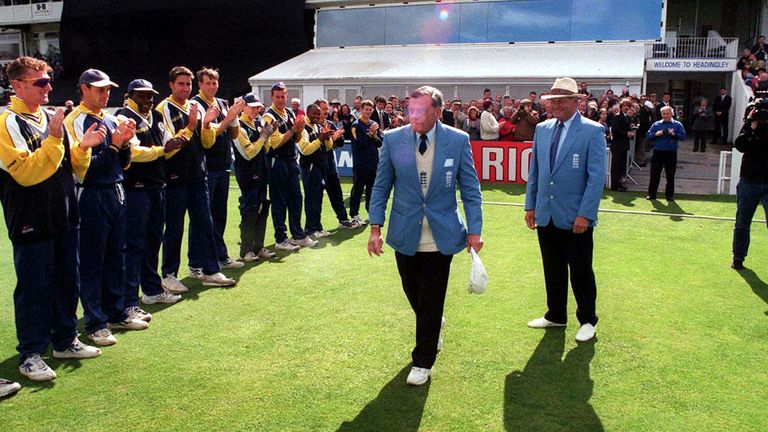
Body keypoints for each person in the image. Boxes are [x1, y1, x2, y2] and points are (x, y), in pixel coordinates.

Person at [367, 85, 483, 386]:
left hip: (442, 233)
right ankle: (433, 324)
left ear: (437, 111)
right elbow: (381, 187)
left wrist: (475, 231)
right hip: (405, 230)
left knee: (431, 297)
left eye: (420, 110)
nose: (413, 115)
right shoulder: (393, 140)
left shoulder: (457, 141)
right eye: (411, 109)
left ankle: (423, 359)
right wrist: (375, 228)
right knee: (413, 292)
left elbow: (470, 189)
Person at [0, 56, 102, 383]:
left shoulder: (50, 117)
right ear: (17, 85)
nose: (49, 87)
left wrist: (83, 148)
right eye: (40, 82)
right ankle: (31, 353)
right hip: (30, 217)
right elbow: (28, 173)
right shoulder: (6, 122)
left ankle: (64, 339)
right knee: (35, 286)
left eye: (49, 80)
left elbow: (72, 167)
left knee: (66, 279)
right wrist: (57, 141)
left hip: (65, 212)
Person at [66, 68, 147, 346]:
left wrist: (122, 144)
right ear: (84, 89)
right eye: (100, 89)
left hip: (116, 189)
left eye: (108, 89)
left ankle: (116, 311)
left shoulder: (111, 118)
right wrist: (114, 147)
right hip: (92, 194)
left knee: (116, 255)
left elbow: (124, 163)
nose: (106, 94)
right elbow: (82, 171)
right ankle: (95, 321)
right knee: (92, 260)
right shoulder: (75, 120)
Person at [524, 77, 606, 343]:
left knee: (581, 270)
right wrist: (530, 206)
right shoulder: (543, 129)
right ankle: (556, 315)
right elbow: (535, 171)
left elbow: (595, 178)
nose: (555, 105)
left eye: (561, 100)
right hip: (546, 212)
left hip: (576, 216)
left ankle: (588, 320)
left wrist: (585, 214)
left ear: (576, 101)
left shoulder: (593, 131)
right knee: (553, 267)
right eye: (552, 101)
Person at [156, 66, 236, 290]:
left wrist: (208, 123)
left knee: (205, 223)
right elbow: (168, 147)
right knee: (174, 227)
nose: (185, 88)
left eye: (188, 84)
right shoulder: (164, 108)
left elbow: (207, 142)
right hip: (175, 177)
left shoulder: (195, 107)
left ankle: (211, 270)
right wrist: (191, 126)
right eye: (181, 83)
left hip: (198, 175)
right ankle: (169, 274)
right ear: (171, 85)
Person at [116, 79, 186, 322]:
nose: (147, 100)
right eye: (141, 96)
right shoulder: (124, 117)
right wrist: (162, 150)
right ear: (129, 96)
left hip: (157, 185)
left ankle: (152, 290)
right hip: (136, 188)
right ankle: (129, 301)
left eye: (150, 96)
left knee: (153, 240)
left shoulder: (154, 117)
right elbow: (134, 153)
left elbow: (170, 143)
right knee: (134, 244)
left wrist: (173, 144)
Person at [191, 68, 245, 270]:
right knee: (203, 217)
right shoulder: (196, 104)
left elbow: (233, 134)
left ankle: (220, 255)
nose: (212, 87)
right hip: (207, 167)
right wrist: (228, 117)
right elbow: (209, 136)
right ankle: (195, 263)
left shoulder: (221, 103)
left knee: (220, 215)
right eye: (208, 83)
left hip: (223, 166)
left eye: (215, 83)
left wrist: (234, 118)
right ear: (200, 84)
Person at [262, 81, 317, 251]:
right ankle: (281, 238)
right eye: (277, 96)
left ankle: (298, 234)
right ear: (272, 97)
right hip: (277, 161)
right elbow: (275, 143)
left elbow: (297, 139)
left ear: (287, 96)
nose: (280, 99)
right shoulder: (268, 117)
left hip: (292, 160)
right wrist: (294, 130)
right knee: (279, 200)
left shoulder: (289, 113)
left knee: (296, 199)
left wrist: (299, 131)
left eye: (283, 96)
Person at [233, 93, 276, 262]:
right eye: (251, 107)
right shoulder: (239, 126)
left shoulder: (258, 124)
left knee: (262, 209)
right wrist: (264, 137)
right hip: (247, 174)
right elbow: (248, 153)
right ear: (243, 107)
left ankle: (258, 247)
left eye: (257, 107)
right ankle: (246, 250)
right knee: (249, 211)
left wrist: (269, 134)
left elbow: (266, 149)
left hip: (261, 172)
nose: (255, 110)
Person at [731, 104, 768, 270]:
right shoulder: (750, 125)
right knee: (742, 223)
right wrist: (751, 125)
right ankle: (738, 258)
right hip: (749, 179)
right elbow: (740, 145)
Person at [315, 98, 358, 229]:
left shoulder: (330, 124)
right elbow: (316, 145)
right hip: (317, 166)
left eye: (327, 109)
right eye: (323, 109)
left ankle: (343, 220)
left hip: (331, 164)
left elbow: (340, 143)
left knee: (337, 194)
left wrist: (338, 137)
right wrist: (331, 139)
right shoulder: (313, 125)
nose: (326, 112)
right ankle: (315, 226)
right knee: (317, 198)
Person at [349, 99, 382, 226]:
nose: (368, 112)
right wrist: (370, 133)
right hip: (361, 162)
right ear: (361, 110)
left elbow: (380, 142)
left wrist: (375, 136)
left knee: (372, 188)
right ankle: (354, 213)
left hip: (373, 161)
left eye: (370, 109)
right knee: (358, 187)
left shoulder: (374, 123)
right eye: (366, 109)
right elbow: (359, 143)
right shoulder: (356, 125)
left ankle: (370, 211)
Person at [645, 106, 686, 201]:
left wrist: (674, 134)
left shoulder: (677, 124)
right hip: (658, 152)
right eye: (664, 114)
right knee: (655, 174)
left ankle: (669, 195)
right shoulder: (656, 124)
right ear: (661, 114)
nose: (666, 115)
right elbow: (648, 135)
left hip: (671, 152)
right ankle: (651, 194)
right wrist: (656, 134)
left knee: (670, 175)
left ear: (671, 114)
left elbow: (683, 136)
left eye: (667, 113)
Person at [608, 98, 634, 192]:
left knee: (621, 166)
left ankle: (619, 184)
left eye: (628, 106)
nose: (626, 108)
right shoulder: (617, 117)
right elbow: (615, 130)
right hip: (617, 145)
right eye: (624, 106)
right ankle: (615, 185)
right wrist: (626, 133)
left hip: (624, 145)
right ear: (621, 107)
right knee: (616, 166)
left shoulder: (627, 117)